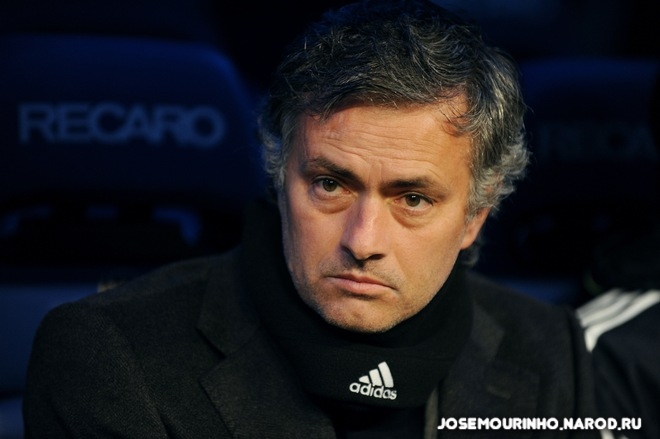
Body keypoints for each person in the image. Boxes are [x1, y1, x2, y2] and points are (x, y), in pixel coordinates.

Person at [23, 0, 600, 437]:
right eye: (330, 185)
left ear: (476, 215)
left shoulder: (548, 349)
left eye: (412, 199)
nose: (363, 241)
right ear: (280, 179)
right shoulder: (111, 355)